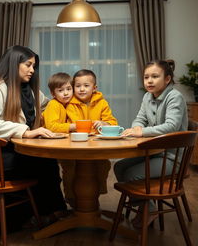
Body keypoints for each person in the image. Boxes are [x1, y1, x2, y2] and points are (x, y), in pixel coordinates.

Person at [0, 45, 67, 233]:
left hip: (6, 150)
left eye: (34, 66)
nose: (32, 70)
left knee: (46, 160)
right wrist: (25, 131)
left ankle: (47, 213)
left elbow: (47, 105)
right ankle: (49, 214)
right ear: (13, 63)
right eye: (28, 65)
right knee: (45, 162)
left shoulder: (28, 89)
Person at [114, 59, 188, 228]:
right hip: (155, 152)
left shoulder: (174, 97)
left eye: (155, 76)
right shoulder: (148, 96)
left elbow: (171, 126)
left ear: (167, 79)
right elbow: (140, 119)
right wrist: (136, 128)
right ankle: (146, 206)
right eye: (146, 77)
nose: (149, 80)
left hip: (171, 157)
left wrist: (141, 132)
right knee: (118, 167)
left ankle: (148, 209)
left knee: (130, 174)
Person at [65, 69, 118, 207]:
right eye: (78, 86)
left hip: (96, 145)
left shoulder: (102, 103)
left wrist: (104, 123)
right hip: (72, 146)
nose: (82, 89)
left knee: (103, 164)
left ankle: (93, 195)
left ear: (94, 88)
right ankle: (71, 196)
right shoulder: (68, 103)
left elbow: (113, 122)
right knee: (70, 168)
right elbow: (61, 124)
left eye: (86, 86)